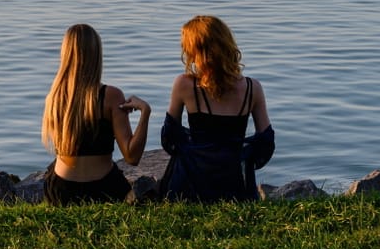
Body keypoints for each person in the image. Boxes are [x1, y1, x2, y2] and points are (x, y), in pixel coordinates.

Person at [160, 15, 274, 202]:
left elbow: (169, 138)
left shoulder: (184, 84)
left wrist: (197, 147)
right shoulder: (253, 88)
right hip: (235, 184)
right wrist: (241, 155)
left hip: (192, 184)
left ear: (194, 50)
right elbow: (266, 143)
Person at [41, 23, 151, 205]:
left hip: (61, 191)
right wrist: (145, 112)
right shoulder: (111, 96)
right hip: (102, 190)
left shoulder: (55, 97)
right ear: (96, 54)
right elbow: (132, 157)